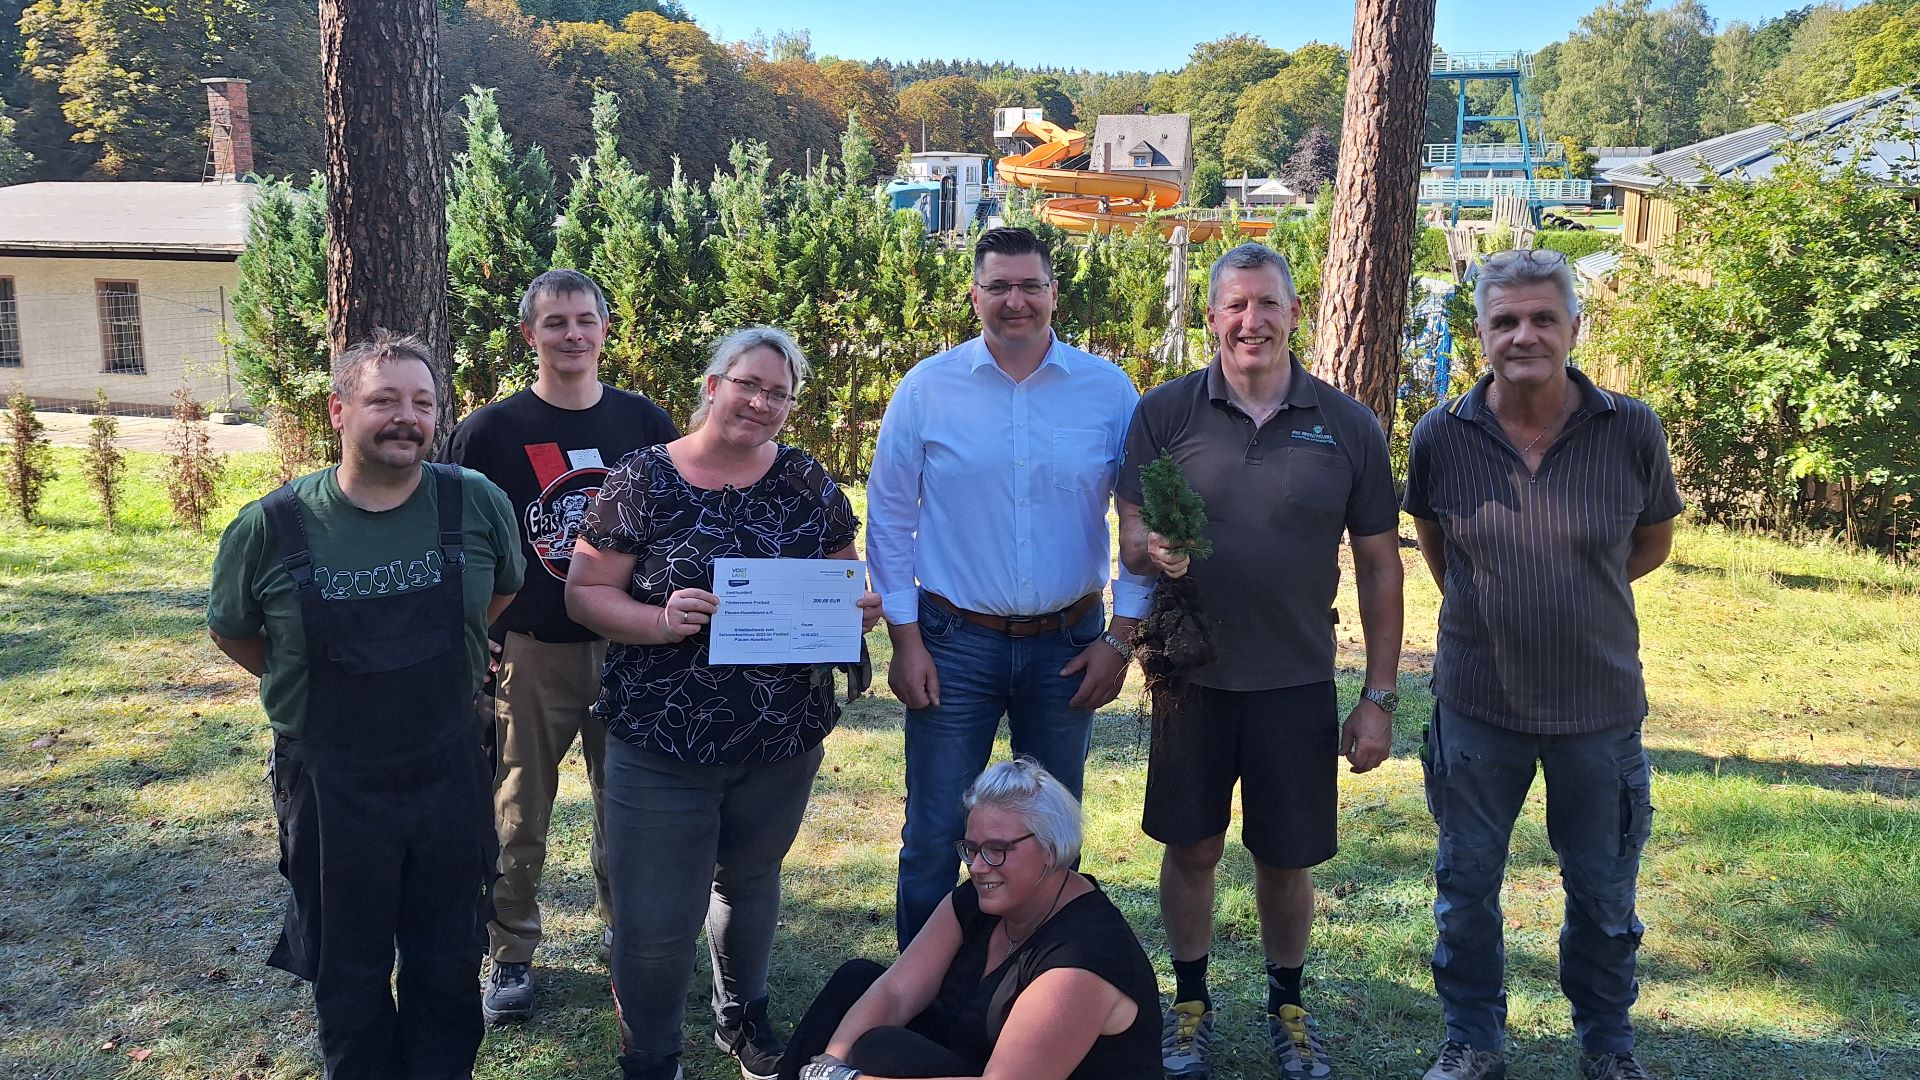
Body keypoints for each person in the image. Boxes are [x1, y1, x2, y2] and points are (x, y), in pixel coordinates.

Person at [1115, 242, 1405, 1080]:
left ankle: (1288, 1005)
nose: (1252, 321)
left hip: (1297, 680)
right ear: (1211, 317)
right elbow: (1130, 535)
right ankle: (1190, 1003)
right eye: (1235, 305)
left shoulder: (1346, 424)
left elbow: (1382, 565)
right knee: (1192, 848)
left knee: (1285, 858)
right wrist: (1150, 548)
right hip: (1190, 679)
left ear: (1293, 312)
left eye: (1267, 304)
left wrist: (1377, 695)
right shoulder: (1163, 412)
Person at [565, 326, 884, 1080]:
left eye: (778, 392)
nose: (761, 401)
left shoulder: (808, 483)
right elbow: (585, 593)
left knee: (749, 881)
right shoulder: (643, 478)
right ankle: (651, 1055)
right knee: (653, 922)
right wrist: (657, 620)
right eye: (748, 383)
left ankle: (742, 1017)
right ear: (713, 386)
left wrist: (855, 609)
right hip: (660, 737)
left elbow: (844, 579)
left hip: (780, 735)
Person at [207, 332, 524, 1078]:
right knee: (348, 973)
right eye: (384, 399)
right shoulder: (272, 526)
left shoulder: (473, 502)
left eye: (421, 402)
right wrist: (309, 687)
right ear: (340, 410)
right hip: (331, 785)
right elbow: (235, 632)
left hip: (449, 772)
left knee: (447, 965)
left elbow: (498, 597)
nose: (405, 417)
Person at [1402, 248, 1681, 1080]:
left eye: (1542, 318)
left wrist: (1572, 588)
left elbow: (1651, 543)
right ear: (1482, 331)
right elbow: (1439, 552)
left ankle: (1606, 1044)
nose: (1524, 335)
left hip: (1597, 708)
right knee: (1466, 887)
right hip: (1478, 705)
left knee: (1602, 894)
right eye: (1505, 321)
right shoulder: (1441, 435)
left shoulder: (1631, 429)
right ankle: (1473, 1039)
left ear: (1573, 328)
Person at [867, 225, 1152, 950]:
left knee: (1051, 834)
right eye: (998, 286)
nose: (1015, 301)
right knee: (934, 834)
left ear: (1055, 292)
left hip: (1070, 644)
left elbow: (1140, 519)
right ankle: (924, 1001)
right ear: (974, 295)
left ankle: (1035, 985)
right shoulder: (927, 389)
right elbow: (890, 519)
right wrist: (905, 641)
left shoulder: (1106, 390)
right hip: (952, 643)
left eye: (1030, 285)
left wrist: (1121, 639)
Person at [443, 268, 679, 1024]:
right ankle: (510, 953)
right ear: (529, 335)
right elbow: (459, 543)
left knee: (633, 807)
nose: (572, 334)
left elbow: (681, 524)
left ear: (606, 330)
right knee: (518, 811)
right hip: (532, 648)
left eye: (585, 320)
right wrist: (474, 634)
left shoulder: (643, 423)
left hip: (631, 647)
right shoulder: (490, 433)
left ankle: (627, 937)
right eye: (555, 323)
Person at [783, 758, 1160, 1080]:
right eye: (972, 848)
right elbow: (896, 991)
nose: (978, 867)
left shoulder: (1084, 957)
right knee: (857, 981)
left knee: (882, 1050)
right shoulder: (982, 899)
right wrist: (830, 1063)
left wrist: (852, 1078)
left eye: (998, 849)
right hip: (977, 1058)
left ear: (1050, 849)